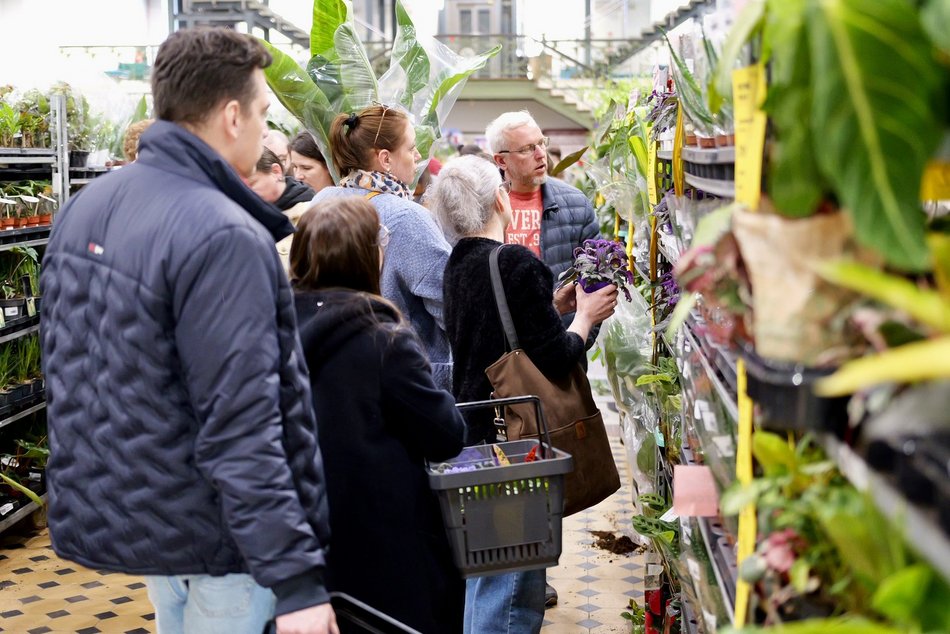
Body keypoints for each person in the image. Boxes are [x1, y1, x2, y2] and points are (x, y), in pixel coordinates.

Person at [40, 28, 337, 634]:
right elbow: (244, 424)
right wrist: (298, 583)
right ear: (231, 115)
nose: (261, 131)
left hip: (146, 524)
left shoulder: (87, 207)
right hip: (222, 541)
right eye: (259, 112)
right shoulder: (224, 234)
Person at [429, 154, 618, 634]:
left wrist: (548, 305)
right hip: (513, 436)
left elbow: (495, 333)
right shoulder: (515, 261)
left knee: (487, 569)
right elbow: (555, 357)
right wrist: (586, 316)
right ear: (498, 198)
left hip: (474, 429)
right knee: (514, 582)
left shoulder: (459, 263)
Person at [289, 196, 466, 633]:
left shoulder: (270, 332)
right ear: (370, 256)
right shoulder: (384, 342)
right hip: (385, 546)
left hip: (300, 542)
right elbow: (446, 435)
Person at [486, 110, 602, 609]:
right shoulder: (485, 208)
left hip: (560, 348)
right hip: (503, 360)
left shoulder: (572, 205)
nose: (541, 154)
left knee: (555, 457)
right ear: (500, 161)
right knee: (512, 462)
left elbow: (597, 272)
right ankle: (523, 570)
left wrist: (579, 337)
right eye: (527, 148)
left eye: (542, 143)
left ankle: (536, 565)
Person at [312, 104, 453, 391]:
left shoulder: (323, 201)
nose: (417, 157)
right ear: (385, 159)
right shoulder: (406, 217)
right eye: (412, 148)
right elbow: (451, 306)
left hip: (332, 370)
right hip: (404, 381)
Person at [245, 147, 315, 271]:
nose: (245, 194)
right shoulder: (246, 219)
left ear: (276, 172)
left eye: (252, 184)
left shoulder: (312, 213)